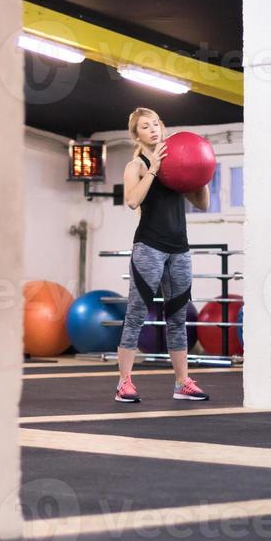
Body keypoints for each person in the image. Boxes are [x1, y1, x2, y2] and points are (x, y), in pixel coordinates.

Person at [114, 108, 211, 404]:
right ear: (137, 135)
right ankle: (124, 383)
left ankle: (182, 383)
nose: (153, 129)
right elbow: (132, 201)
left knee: (178, 317)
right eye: (146, 126)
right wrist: (154, 169)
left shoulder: (176, 164)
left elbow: (203, 203)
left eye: (156, 123)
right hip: (149, 246)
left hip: (179, 247)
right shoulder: (137, 166)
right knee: (136, 314)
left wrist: (200, 171)